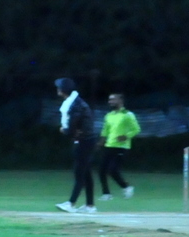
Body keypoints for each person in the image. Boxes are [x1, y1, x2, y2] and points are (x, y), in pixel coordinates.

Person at [54, 78, 99, 213]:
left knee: (79, 172)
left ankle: (71, 203)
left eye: (59, 87)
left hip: (84, 141)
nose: (57, 89)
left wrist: (66, 131)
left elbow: (74, 123)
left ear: (63, 89)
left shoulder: (76, 104)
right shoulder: (76, 102)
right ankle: (90, 205)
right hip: (86, 140)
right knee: (86, 173)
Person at [97, 93, 141, 200]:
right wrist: (100, 142)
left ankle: (127, 187)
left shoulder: (128, 114)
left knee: (113, 170)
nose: (110, 102)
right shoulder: (109, 115)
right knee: (101, 170)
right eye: (109, 100)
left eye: (113, 100)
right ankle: (106, 194)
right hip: (109, 145)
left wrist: (126, 136)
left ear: (120, 101)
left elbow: (136, 129)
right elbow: (105, 130)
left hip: (122, 146)